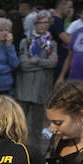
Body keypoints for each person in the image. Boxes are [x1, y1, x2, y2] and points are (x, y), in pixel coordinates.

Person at [16, 10, 58, 142]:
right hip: (25, 87)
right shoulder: (26, 41)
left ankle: (34, 153)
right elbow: (23, 64)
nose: (42, 25)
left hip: (42, 88)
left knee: (37, 125)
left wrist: (36, 61)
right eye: (40, 22)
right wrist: (43, 64)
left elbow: (53, 63)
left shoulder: (52, 43)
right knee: (19, 121)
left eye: (46, 22)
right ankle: (16, 148)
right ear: (35, 24)